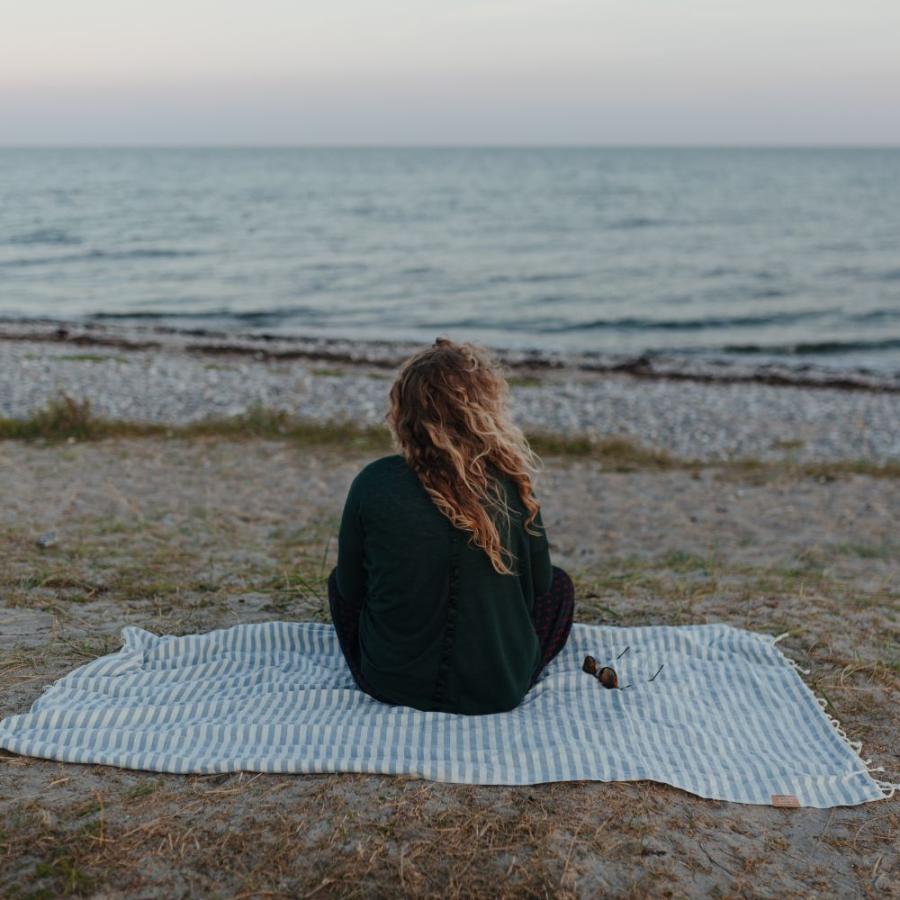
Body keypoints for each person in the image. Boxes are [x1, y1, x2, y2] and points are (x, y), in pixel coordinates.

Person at [328, 338, 574, 714]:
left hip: (391, 683)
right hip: (499, 690)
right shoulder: (511, 482)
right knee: (560, 587)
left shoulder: (373, 481)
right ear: (485, 410)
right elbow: (540, 586)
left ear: (404, 412)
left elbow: (349, 588)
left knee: (337, 585)